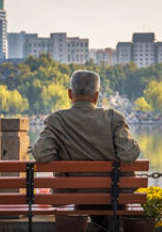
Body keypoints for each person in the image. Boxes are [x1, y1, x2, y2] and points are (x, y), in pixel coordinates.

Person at [32, 70, 140, 231]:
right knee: (110, 201)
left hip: (72, 193)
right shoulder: (113, 117)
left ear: (70, 94)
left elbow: (41, 154)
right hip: (113, 194)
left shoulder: (57, 120)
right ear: (96, 96)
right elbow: (129, 154)